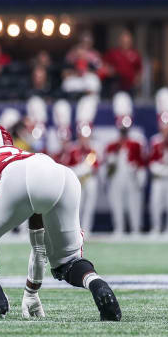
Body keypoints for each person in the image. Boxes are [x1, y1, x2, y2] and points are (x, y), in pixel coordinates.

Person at [0, 123, 121, 321]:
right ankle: (97, 284)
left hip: (17, 176)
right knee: (68, 263)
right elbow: (38, 243)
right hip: (61, 174)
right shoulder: (21, 153)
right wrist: (31, 291)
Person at [105, 92, 146, 235]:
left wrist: (140, 175)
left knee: (134, 203)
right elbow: (108, 168)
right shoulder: (112, 144)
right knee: (117, 203)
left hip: (131, 176)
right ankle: (119, 228)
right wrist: (112, 161)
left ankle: (135, 228)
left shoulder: (137, 142)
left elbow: (141, 161)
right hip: (117, 177)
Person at [66, 95, 100, 235]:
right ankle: (76, 231)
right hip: (77, 181)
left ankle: (87, 229)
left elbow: (94, 166)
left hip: (89, 180)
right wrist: (79, 170)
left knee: (89, 205)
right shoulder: (72, 149)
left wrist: (83, 169)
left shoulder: (94, 148)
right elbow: (68, 167)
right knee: (77, 207)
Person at [148, 88, 168, 235]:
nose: (166, 129)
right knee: (156, 204)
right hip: (159, 178)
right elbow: (152, 163)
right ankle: (156, 227)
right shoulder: (155, 141)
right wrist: (163, 169)